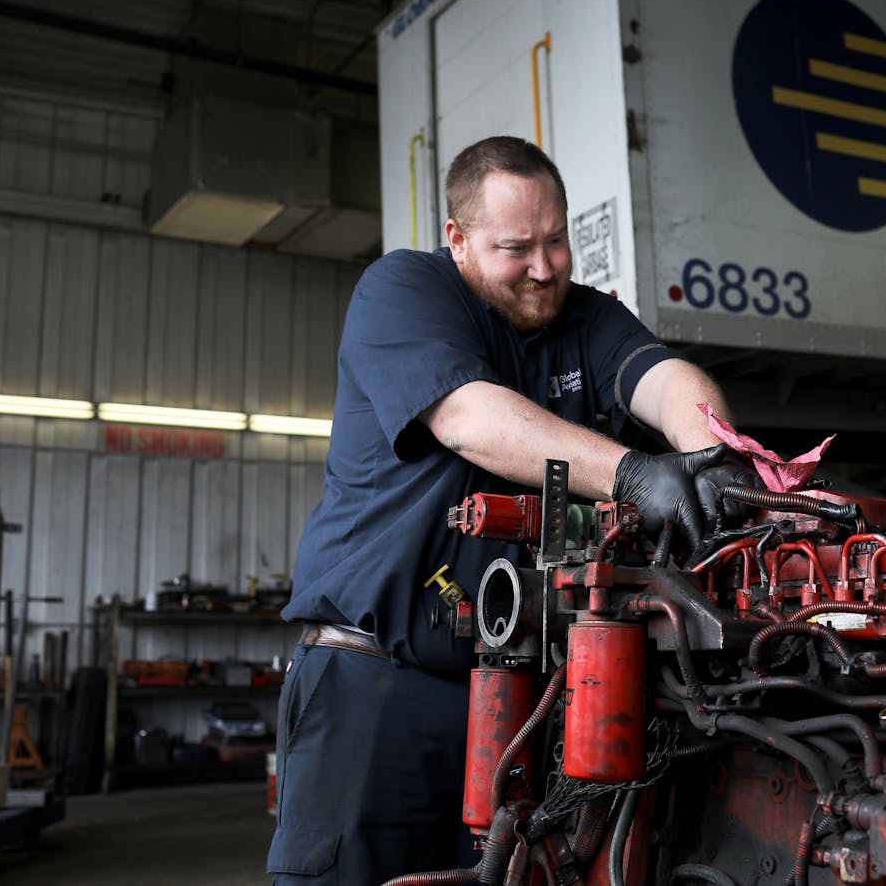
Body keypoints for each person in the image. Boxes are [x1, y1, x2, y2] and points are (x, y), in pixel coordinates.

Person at [267, 136, 752, 884]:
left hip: (521, 703)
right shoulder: (402, 290)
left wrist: (711, 453)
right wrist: (633, 474)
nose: (544, 266)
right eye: (516, 247)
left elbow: (664, 378)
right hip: (375, 686)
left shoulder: (585, 319)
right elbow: (469, 418)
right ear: (457, 239)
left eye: (556, 240)